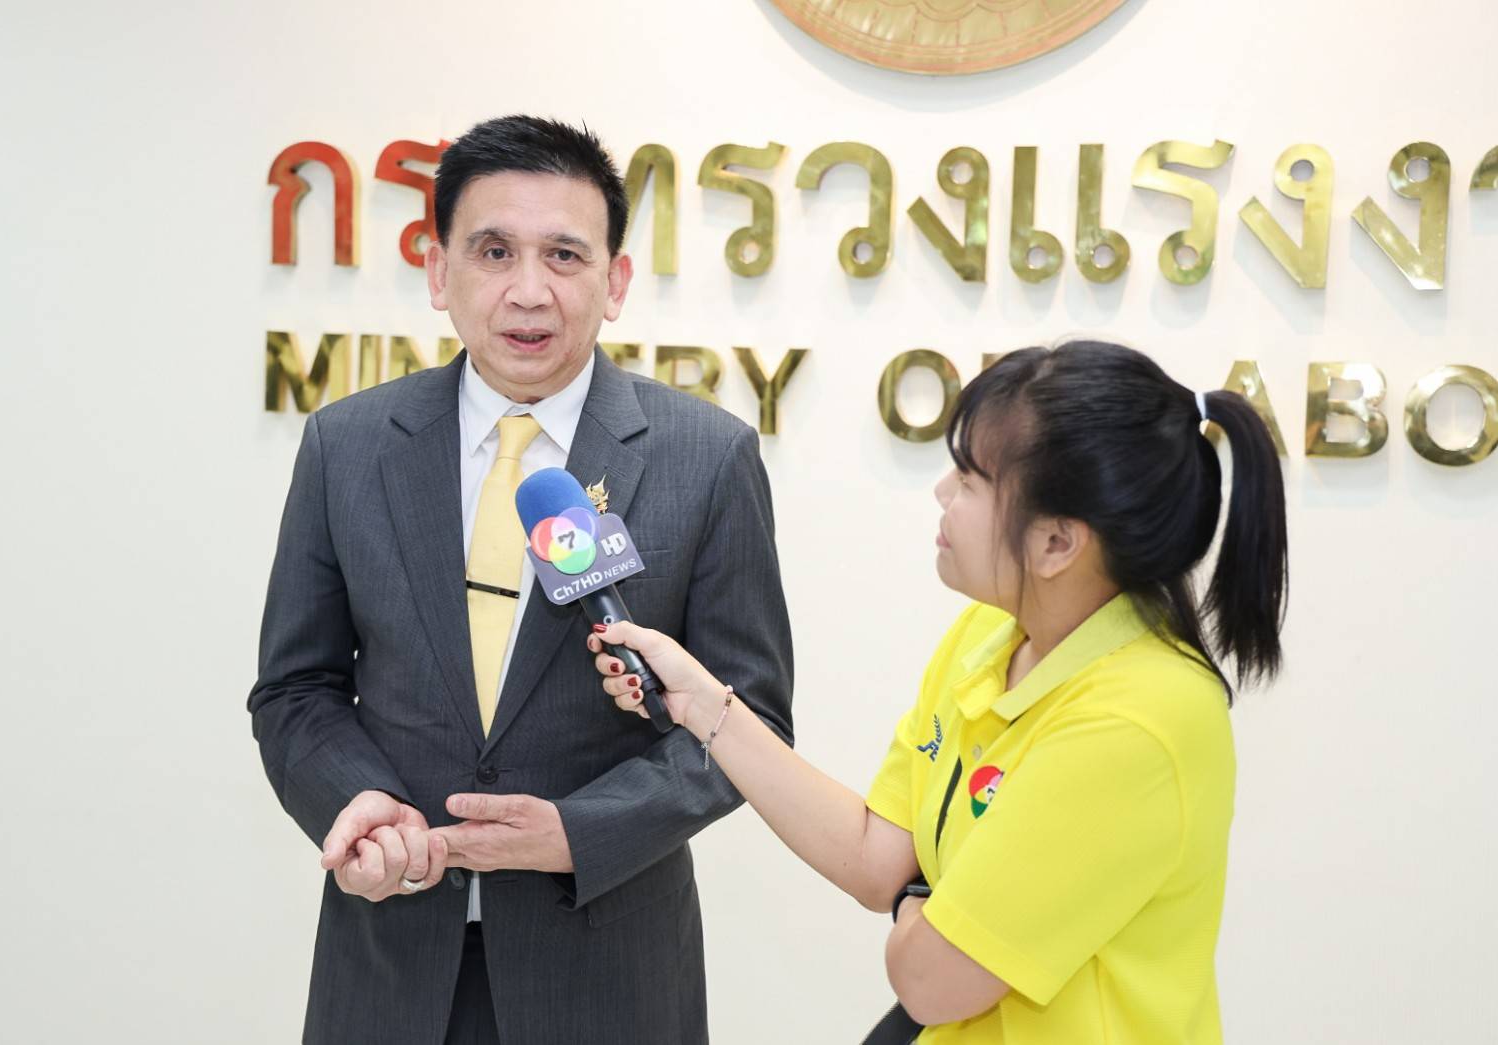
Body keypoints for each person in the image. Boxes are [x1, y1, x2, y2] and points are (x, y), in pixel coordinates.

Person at [248, 115, 794, 1045]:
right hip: (389, 959)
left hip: (607, 973)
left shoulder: (706, 458)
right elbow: (296, 687)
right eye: (493, 251)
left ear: (615, 281)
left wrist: (578, 832)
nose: (529, 291)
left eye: (565, 255)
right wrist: (356, 799)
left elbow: (753, 722)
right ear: (438, 271)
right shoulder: (348, 445)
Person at [587, 340, 1288, 1044]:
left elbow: (928, 979)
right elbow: (875, 856)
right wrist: (700, 703)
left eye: (971, 479)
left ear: (1057, 543)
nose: (942, 492)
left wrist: (918, 896)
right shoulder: (991, 633)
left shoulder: (1136, 718)